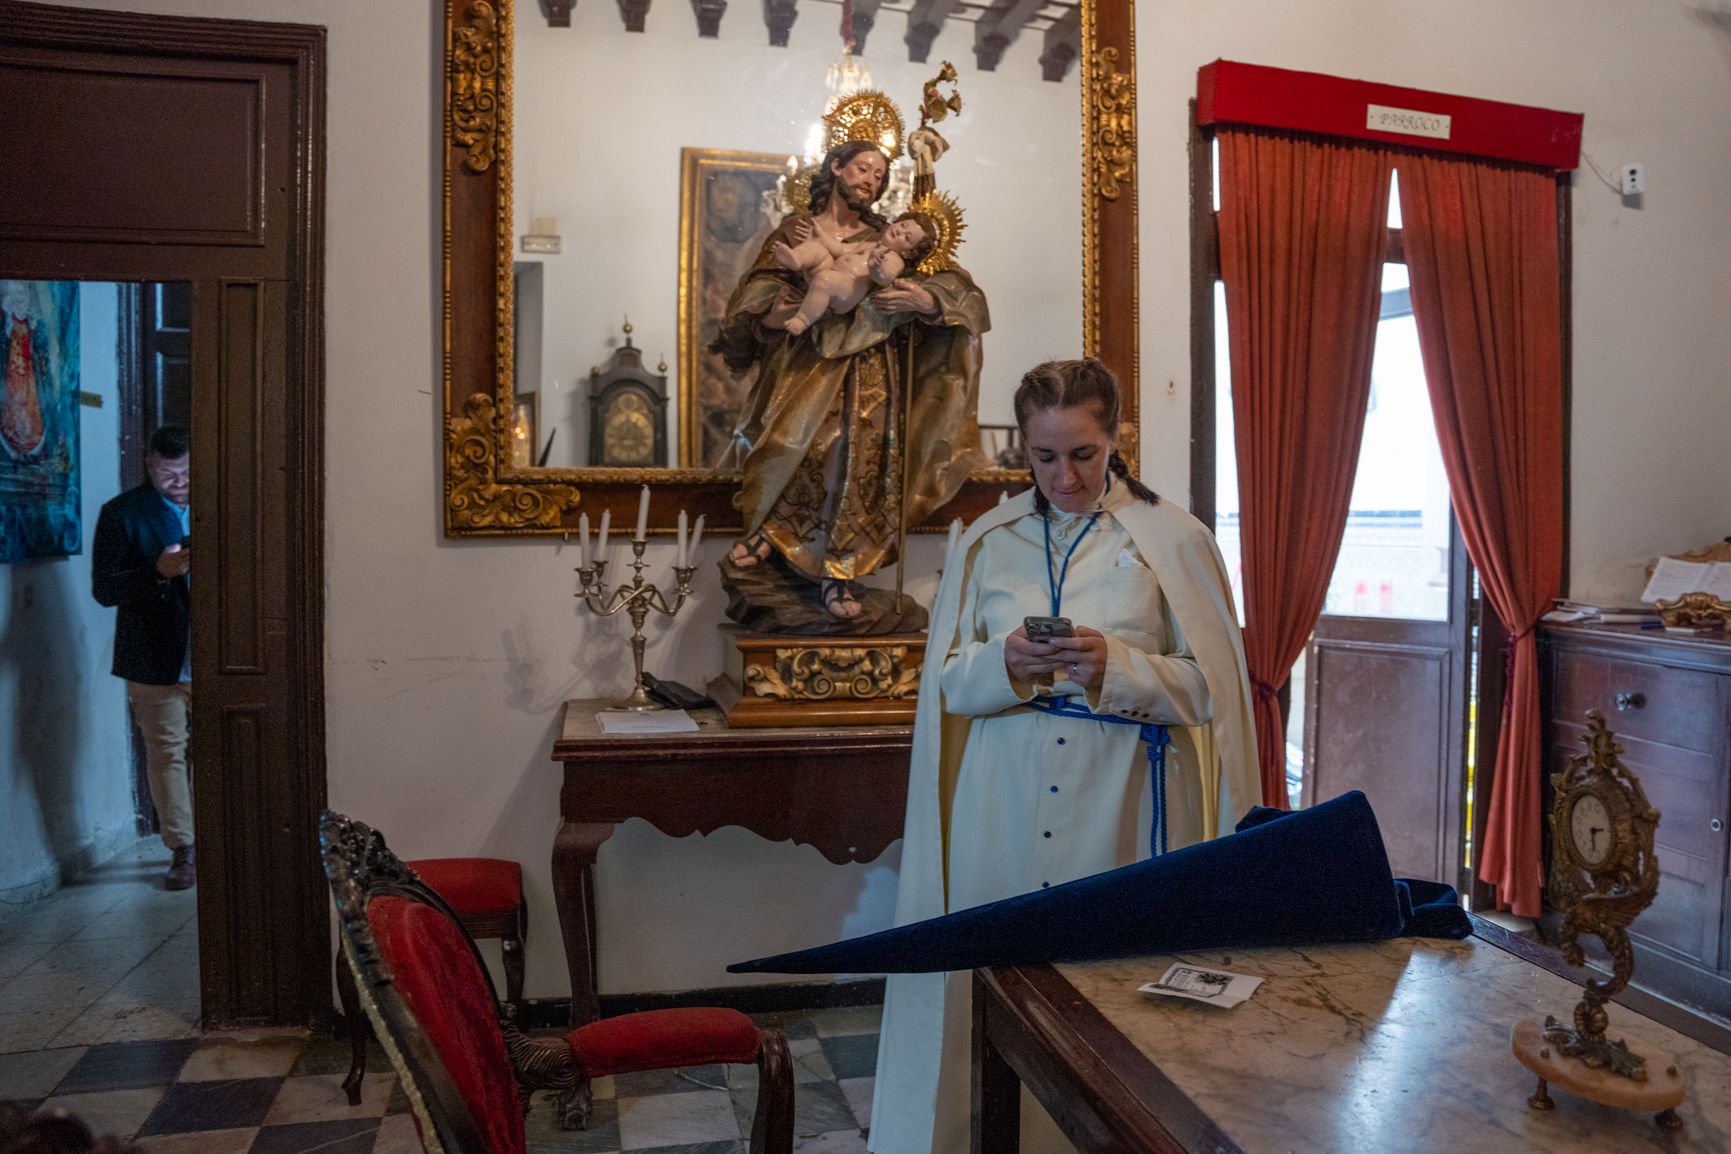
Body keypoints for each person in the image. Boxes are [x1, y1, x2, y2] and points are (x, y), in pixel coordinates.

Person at [868, 359, 1260, 1154]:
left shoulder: (1173, 541)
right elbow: (946, 686)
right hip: (1000, 797)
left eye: (1082, 453)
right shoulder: (987, 541)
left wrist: (1118, 668)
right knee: (1000, 990)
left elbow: (1213, 694)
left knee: (1112, 997)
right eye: (1043, 457)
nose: (1063, 476)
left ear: (1116, 438)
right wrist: (1005, 664)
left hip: (1123, 795)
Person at [713, 139, 988, 625]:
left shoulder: (890, 236)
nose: (871, 181)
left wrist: (924, 302)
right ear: (836, 167)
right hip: (804, 365)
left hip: (870, 370)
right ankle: (769, 533)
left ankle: (839, 573)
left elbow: (956, 285)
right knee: (792, 444)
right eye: (863, 169)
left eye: (880, 176)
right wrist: (774, 309)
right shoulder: (798, 228)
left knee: (858, 461)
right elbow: (756, 289)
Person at [91, 425, 194, 891]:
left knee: (224, 751)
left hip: (219, 655)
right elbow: (105, 589)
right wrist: (157, 571)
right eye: (168, 473)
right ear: (149, 463)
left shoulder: (222, 501)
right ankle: (183, 849)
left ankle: (228, 840)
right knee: (166, 752)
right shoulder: (121, 514)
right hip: (153, 655)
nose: (179, 483)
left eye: (187, 472)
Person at [772, 211, 936, 337]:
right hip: (832, 270)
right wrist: (820, 235)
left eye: (907, 238)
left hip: (848, 289)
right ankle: (796, 259)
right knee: (817, 248)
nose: (900, 232)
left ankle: (802, 319)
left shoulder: (894, 260)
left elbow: (884, 277)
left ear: (909, 253)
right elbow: (840, 249)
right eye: (903, 225)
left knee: (825, 280)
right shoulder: (871, 243)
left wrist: (875, 266)